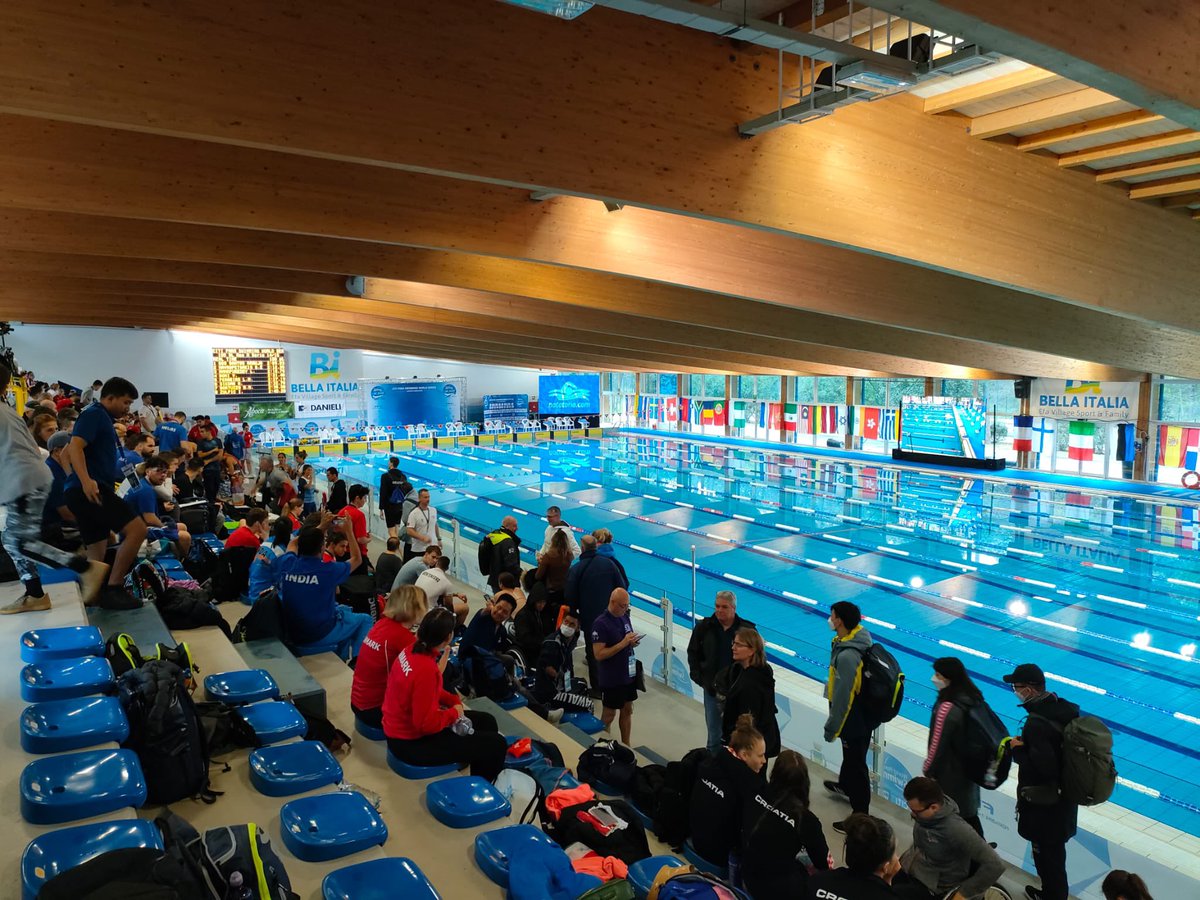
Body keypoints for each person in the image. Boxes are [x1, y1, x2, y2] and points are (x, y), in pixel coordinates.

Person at [0, 365, 107, 613]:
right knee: (12, 539)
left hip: (23, 481)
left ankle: (85, 568)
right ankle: (35, 594)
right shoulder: (6, 410)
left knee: (20, 543)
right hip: (27, 478)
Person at [382, 607, 508, 782]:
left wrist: (452, 700)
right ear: (449, 637)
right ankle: (482, 788)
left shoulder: (411, 649)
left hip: (398, 728)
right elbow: (426, 725)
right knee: (496, 745)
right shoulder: (426, 669)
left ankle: (477, 771)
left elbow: (425, 691)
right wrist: (453, 713)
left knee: (487, 721)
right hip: (409, 743)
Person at [63, 375, 149, 606]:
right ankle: (114, 587)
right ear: (109, 397)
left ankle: (94, 593)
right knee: (138, 530)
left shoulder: (101, 417)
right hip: (91, 489)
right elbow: (73, 448)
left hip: (84, 490)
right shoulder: (94, 414)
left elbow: (65, 455)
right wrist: (85, 480)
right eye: (125, 402)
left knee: (97, 548)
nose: (127, 408)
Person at [1004, 663, 1080, 900]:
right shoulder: (1061, 708)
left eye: (1017, 687)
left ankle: (1053, 896)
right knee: (1054, 858)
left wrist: (1016, 749)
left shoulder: (1037, 724)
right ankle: (1049, 894)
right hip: (1064, 799)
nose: (1015, 691)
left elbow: (1044, 768)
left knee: (1048, 859)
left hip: (1045, 806)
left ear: (1029, 690)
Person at [277, 519, 373, 661]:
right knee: (365, 619)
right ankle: (357, 663)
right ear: (323, 548)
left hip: (291, 630)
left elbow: (293, 543)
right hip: (318, 634)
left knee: (344, 610)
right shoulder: (328, 570)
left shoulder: (287, 563)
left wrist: (321, 526)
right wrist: (349, 531)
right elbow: (357, 559)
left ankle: (341, 656)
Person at [894, 777, 1003, 900]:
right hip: (915, 870)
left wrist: (964, 893)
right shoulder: (924, 817)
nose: (912, 814)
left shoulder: (957, 829)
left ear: (934, 807)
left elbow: (996, 865)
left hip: (936, 887)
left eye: (916, 811)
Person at [742, 749, 831, 899]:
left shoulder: (755, 791)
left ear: (774, 774)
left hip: (747, 874)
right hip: (776, 890)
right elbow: (823, 863)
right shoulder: (806, 820)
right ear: (805, 782)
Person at [688, 713, 767, 875]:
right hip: (718, 854)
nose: (764, 760)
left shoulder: (711, 761)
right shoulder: (750, 787)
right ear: (744, 755)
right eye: (760, 755)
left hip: (695, 837)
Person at [823, 600, 877, 828]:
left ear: (840, 621)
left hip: (852, 719)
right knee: (853, 758)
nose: (830, 619)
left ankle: (860, 816)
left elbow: (844, 698)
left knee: (857, 765)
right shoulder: (855, 638)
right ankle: (846, 785)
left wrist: (832, 727)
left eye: (832, 615)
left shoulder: (848, 656)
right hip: (863, 715)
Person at [924, 657, 988, 836]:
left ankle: (978, 860)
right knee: (969, 817)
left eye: (937, 675)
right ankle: (980, 856)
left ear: (949, 678)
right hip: (969, 772)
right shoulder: (973, 698)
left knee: (955, 822)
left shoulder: (947, 707)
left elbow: (936, 745)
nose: (933, 678)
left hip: (950, 777)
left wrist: (928, 771)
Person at [350, 584, 428, 730]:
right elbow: (424, 677)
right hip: (374, 710)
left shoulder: (381, 624)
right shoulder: (403, 638)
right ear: (416, 608)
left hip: (358, 702)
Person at [688, 590, 755, 752]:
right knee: (714, 736)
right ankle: (712, 772)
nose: (719, 610)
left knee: (738, 735)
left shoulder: (746, 631)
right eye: (717, 606)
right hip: (712, 691)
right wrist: (700, 678)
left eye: (724, 607)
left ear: (733, 608)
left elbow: (756, 660)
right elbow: (693, 652)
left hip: (737, 694)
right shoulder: (705, 627)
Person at [566, 533, 630, 689]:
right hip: (612, 616)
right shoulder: (610, 564)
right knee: (615, 648)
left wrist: (575, 616)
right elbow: (622, 586)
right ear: (596, 547)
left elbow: (570, 597)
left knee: (594, 652)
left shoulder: (577, 569)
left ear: (582, 549)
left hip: (590, 619)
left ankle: (598, 688)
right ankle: (617, 682)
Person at [715, 626, 781, 758]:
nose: (733, 647)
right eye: (733, 643)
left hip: (748, 747)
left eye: (738, 645)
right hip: (757, 743)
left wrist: (734, 744)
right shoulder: (753, 670)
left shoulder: (751, 685)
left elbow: (749, 724)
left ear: (751, 650)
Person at [806, 813, 902, 900]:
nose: (898, 857)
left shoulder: (817, 881)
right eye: (895, 852)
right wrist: (887, 882)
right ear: (885, 866)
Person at [591, 587, 639, 745]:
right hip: (611, 677)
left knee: (627, 710)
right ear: (612, 602)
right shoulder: (600, 623)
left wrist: (632, 642)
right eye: (623, 605)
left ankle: (627, 745)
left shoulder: (624, 617)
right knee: (609, 715)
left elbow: (627, 641)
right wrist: (623, 643)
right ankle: (602, 746)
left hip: (628, 674)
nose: (626, 609)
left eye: (627, 605)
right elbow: (599, 654)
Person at [123, 455, 192, 558]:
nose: (163, 475)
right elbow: (150, 519)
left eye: (165, 472)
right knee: (185, 537)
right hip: (137, 531)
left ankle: (178, 558)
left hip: (133, 525)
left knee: (182, 526)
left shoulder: (142, 484)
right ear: (148, 472)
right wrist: (165, 528)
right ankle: (182, 562)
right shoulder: (146, 490)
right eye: (159, 471)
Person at [532, 608, 592, 713]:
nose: (567, 626)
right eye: (566, 622)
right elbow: (548, 669)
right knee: (588, 704)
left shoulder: (570, 641)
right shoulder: (552, 643)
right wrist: (562, 677)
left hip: (562, 686)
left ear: (578, 628)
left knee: (582, 684)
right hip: (551, 693)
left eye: (572, 624)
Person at [41, 431, 79, 550]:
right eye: (73, 449)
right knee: (101, 535)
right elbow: (67, 514)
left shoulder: (60, 467)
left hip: (59, 523)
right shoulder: (52, 474)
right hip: (55, 528)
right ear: (58, 451)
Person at [247, 515, 294, 602]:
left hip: (253, 588)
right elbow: (282, 579)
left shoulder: (266, 543)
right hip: (265, 596)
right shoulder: (280, 553)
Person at [415, 555, 469, 624]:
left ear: (436, 563)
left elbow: (433, 590)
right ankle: (454, 631)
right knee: (464, 608)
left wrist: (456, 594)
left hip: (413, 609)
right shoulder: (446, 583)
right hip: (427, 615)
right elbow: (449, 606)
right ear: (447, 568)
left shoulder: (424, 572)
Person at [479, 515, 522, 591]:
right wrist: (523, 574)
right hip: (506, 582)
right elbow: (511, 565)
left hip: (494, 580)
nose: (517, 528)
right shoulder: (508, 542)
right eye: (514, 526)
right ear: (507, 527)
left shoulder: (494, 535)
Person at [535, 528, 573, 599]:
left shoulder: (549, 556)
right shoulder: (569, 555)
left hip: (550, 590)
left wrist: (541, 563)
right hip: (563, 590)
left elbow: (538, 576)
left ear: (553, 541)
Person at [405, 488, 440, 562]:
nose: (428, 499)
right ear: (419, 498)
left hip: (433, 547)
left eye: (428, 497)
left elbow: (435, 524)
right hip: (419, 549)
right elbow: (409, 530)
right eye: (425, 497)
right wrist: (422, 538)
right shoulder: (414, 513)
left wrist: (439, 539)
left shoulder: (433, 510)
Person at [379, 457, 408, 540]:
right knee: (396, 529)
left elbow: (383, 493)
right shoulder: (403, 477)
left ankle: (396, 549)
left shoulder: (385, 476)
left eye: (389, 462)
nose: (388, 463)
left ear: (391, 463)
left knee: (391, 531)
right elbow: (405, 490)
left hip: (389, 507)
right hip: (400, 506)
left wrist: (381, 508)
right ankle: (396, 549)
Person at [338, 484, 371, 556]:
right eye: (364, 498)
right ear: (357, 498)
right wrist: (369, 539)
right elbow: (361, 540)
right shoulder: (359, 515)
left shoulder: (342, 511)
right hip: (356, 552)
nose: (365, 501)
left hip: (342, 550)